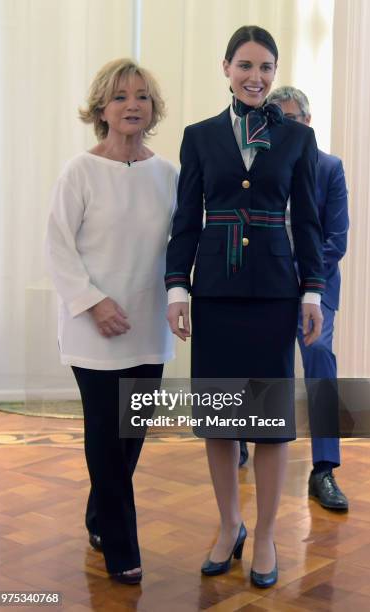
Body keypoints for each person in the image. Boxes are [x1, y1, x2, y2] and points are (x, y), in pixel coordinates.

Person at [166, 25, 324, 588]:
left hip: (275, 292)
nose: (255, 77)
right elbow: (186, 217)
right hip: (215, 291)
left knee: (271, 422)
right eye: (245, 66)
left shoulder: (297, 140)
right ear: (226, 68)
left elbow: (307, 222)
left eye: (265, 68)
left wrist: (312, 290)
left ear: (274, 74)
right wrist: (176, 286)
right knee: (220, 420)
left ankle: (264, 534)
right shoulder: (199, 135)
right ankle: (229, 523)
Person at [45, 58, 177, 584]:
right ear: (102, 107)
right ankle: (122, 548)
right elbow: (57, 247)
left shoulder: (168, 174)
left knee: (131, 435)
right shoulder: (79, 171)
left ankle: (100, 516)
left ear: (152, 108)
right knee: (105, 434)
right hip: (91, 328)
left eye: (141, 96)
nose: (132, 105)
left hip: (149, 327)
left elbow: (181, 245)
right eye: (121, 96)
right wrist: (93, 302)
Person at [266, 86, 349, 511]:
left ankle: (324, 469)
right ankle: (245, 439)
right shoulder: (260, 168)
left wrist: (302, 284)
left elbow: (335, 241)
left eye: (294, 118)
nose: (287, 125)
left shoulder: (329, 168)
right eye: (278, 118)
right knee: (256, 359)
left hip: (314, 289)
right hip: (267, 286)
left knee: (319, 362)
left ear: (308, 123)